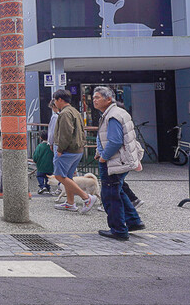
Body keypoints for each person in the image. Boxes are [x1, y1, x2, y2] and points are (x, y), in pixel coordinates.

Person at [93, 86, 145, 240]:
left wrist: (104, 157)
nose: (94, 100)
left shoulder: (112, 116)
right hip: (120, 159)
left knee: (110, 195)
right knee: (118, 191)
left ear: (108, 99)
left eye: (97, 97)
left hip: (114, 161)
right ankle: (133, 221)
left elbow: (115, 141)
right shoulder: (116, 113)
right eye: (93, 97)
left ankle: (118, 230)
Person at [52, 89, 97, 213]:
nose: (54, 103)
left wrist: (60, 149)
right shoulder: (75, 111)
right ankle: (70, 203)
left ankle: (86, 198)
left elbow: (65, 133)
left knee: (59, 176)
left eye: (55, 100)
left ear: (60, 100)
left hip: (68, 150)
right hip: (77, 149)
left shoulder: (65, 113)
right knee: (69, 177)